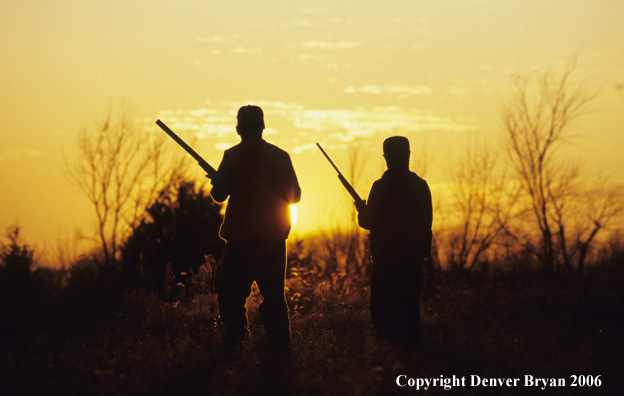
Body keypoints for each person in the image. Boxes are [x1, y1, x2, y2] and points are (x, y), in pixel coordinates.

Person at [210, 105, 301, 350]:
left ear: (238, 128)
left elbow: (218, 195)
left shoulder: (232, 156)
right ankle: (281, 349)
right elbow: (295, 196)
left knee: (232, 298)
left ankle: (237, 344)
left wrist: (219, 180)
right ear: (262, 126)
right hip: (273, 241)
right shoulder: (281, 156)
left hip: (241, 241)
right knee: (274, 297)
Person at [355, 136, 432, 347]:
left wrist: (362, 212)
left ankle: (387, 347)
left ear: (385, 157)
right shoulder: (421, 185)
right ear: (408, 155)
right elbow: (428, 220)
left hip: (387, 257)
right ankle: (412, 352)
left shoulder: (380, 187)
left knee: (380, 307)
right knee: (410, 307)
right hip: (414, 257)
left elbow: (371, 222)